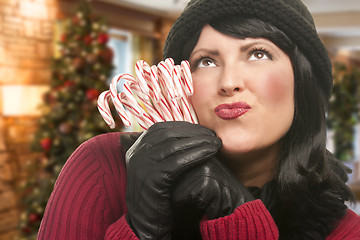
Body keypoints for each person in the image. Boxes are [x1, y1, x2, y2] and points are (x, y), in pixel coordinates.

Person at [37, 0, 360, 239]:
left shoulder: (345, 231)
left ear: (302, 83)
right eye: (205, 61)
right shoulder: (101, 164)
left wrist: (237, 218)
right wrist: (140, 227)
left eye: (258, 53)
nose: (229, 81)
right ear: (181, 82)